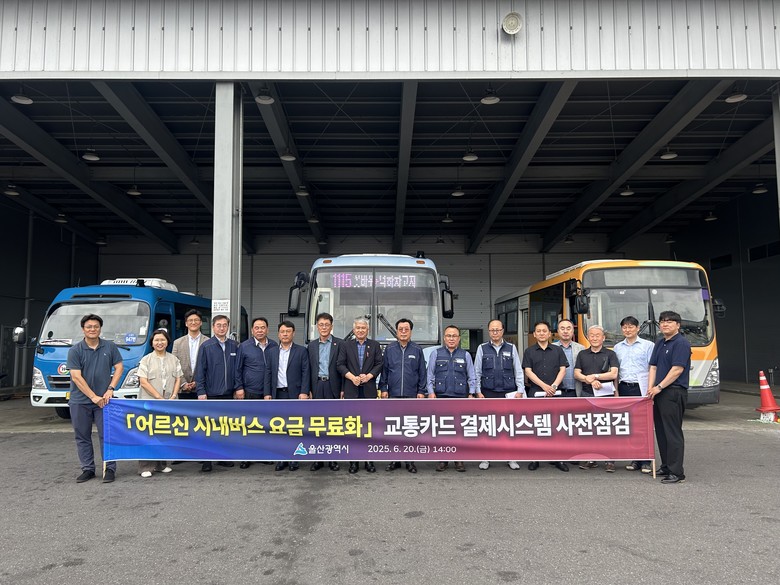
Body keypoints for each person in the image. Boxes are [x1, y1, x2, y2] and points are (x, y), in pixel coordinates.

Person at [67, 314, 124, 483]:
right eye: (89, 327)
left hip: (105, 400)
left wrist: (110, 389)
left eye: (96, 326)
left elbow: (119, 367)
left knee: (107, 435)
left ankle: (110, 469)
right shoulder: (75, 350)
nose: (93, 329)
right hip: (80, 401)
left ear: (100, 328)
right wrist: (93, 397)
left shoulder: (109, 346)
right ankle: (88, 469)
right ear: (83, 329)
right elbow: (76, 377)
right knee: (82, 436)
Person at [647, 310, 692, 484]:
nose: (665, 324)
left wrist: (659, 387)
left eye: (670, 321)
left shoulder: (681, 343)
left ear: (678, 325)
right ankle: (666, 466)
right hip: (658, 392)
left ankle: (676, 472)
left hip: (673, 391)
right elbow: (653, 366)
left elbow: (677, 370)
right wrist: (650, 388)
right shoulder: (660, 342)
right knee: (661, 431)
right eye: (662, 321)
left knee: (672, 432)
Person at [426, 325, 478, 472]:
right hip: (441, 397)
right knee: (443, 429)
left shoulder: (465, 355)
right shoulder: (436, 354)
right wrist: (431, 392)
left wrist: (471, 393)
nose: (451, 338)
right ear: (444, 338)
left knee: (458, 429)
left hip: (460, 397)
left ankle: (458, 459)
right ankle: (443, 459)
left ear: (459, 338)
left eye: (454, 336)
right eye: (448, 336)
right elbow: (430, 375)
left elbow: (472, 376)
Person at [474, 319, 523, 471]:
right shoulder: (482, 348)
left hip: (508, 392)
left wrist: (520, 390)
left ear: (502, 331)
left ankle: (511, 457)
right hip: (488, 392)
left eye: (497, 330)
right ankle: (486, 458)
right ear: (489, 331)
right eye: (492, 330)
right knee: (487, 426)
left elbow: (518, 370)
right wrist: (478, 391)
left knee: (508, 426)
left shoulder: (511, 348)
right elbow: (477, 371)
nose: (495, 332)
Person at [380, 318, 427, 474]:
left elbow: (422, 372)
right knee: (394, 429)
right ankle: (394, 460)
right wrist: (383, 388)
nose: (403, 332)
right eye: (400, 329)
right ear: (397, 331)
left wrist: (421, 391)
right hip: (393, 395)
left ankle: (410, 461)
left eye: (406, 329)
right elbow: (385, 371)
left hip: (411, 395)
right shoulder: (390, 349)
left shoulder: (417, 349)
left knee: (409, 429)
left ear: (411, 331)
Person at [336, 317, 383, 474]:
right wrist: (352, 377)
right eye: (358, 328)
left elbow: (379, 364)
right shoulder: (346, 345)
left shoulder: (375, 345)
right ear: (353, 330)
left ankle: (369, 460)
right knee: (353, 427)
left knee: (368, 426)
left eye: (363, 328)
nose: (361, 330)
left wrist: (369, 376)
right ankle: (353, 461)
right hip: (351, 389)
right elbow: (340, 364)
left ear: (367, 330)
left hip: (369, 390)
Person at [522, 321, 569, 472]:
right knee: (536, 426)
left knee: (557, 426)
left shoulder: (557, 350)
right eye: (538, 331)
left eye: (544, 331)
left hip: (556, 393)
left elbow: (563, 370)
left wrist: (553, 386)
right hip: (536, 392)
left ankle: (558, 459)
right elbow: (528, 371)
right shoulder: (529, 351)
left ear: (549, 334)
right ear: (534, 334)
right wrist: (544, 386)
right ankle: (535, 458)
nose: (541, 333)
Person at [195, 314, 239, 472]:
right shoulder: (206, 346)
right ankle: (207, 460)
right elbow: (200, 371)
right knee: (208, 428)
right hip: (211, 394)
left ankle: (222, 457)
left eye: (224, 325)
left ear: (228, 327)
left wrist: (237, 388)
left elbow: (238, 370)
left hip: (228, 394)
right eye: (218, 325)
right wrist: (201, 391)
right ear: (213, 327)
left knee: (225, 427)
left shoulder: (234, 346)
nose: (222, 328)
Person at [137, 329, 182, 478]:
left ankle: (161, 465)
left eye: (162, 340)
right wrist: (158, 397)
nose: (159, 343)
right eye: (156, 340)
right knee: (148, 433)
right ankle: (145, 467)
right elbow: (143, 381)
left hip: (169, 402)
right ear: (152, 343)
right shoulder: (146, 359)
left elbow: (178, 379)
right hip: (150, 402)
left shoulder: (173, 359)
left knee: (164, 432)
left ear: (167, 342)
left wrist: (174, 396)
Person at [574, 325, 620, 472]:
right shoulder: (582, 354)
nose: (594, 338)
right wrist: (588, 380)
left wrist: (595, 377)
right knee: (589, 428)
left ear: (603, 338)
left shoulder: (610, 354)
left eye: (597, 335)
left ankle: (609, 460)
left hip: (606, 395)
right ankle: (591, 458)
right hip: (587, 395)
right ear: (588, 337)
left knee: (607, 428)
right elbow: (577, 373)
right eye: (591, 335)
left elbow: (614, 374)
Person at [266, 320, 310, 471]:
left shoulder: (301, 351)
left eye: (288, 331)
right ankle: (281, 458)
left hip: (295, 394)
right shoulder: (272, 352)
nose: (285, 334)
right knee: (279, 428)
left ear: (293, 333)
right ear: (278, 334)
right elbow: (268, 373)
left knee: (294, 427)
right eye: (282, 332)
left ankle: (294, 458)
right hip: (278, 393)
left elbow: (306, 372)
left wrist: (304, 391)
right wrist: (267, 393)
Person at [613, 316, 655, 473]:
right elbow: (616, 371)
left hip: (641, 388)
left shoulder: (648, 345)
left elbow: (652, 368)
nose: (627, 329)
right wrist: (616, 390)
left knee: (644, 424)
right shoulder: (617, 347)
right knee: (630, 425)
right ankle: (635, 459)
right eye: (624, 327)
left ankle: (646, 461)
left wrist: (650, 388)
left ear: (637, 328)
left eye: (631, 326)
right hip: (624, 387)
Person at [234, 317, 277, 469]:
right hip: (250, 391)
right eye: (257, 328)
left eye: (262, 327)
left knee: (265, 425)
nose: (260, 330)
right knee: (248, 425)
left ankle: (263, 454)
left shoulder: (274, 346)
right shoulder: (244, 346)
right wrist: (239, 388)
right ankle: (247, 456)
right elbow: (237, 369)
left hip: (268, 393)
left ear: (267, 329)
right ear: (252, 330)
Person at [307, 313, 342, 472]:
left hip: (333, 386)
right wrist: (308, 389)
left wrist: (343, 389)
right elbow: (308, 370)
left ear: (331, 326)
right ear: (317, 327)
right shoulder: (312, 346)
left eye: (327, 324)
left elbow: (343, 368)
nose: (324, 327)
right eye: (321, 324)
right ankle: (318, 458)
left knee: (333, 423)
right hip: (317, 386)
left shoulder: (340, 344)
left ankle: (333, 458)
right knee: (318, 423)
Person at [172, 309, 208, 400]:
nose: (193, 322)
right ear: (186, 323)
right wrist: (183, 383)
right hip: (182, 389)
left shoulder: (208, 342)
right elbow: (174, 365)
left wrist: (198, 382)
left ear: (201, 323)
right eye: (190, 320)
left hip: (203, 390)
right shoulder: (177, 343)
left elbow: (211, 366)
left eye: (196, 320)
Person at [553, 319, 585, 397]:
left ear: (573, 331)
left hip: (575, 392)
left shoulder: (581, 348)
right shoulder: (551, 348)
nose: (565, 331)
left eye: (568, 328)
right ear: (558, 331)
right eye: (562, 328)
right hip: (555, 391)